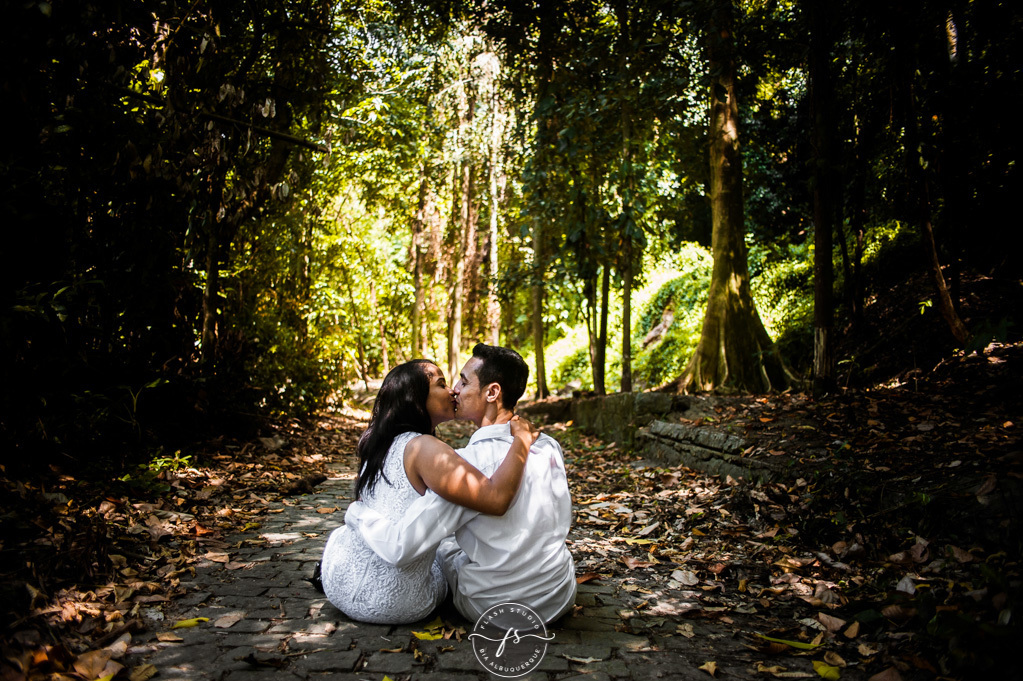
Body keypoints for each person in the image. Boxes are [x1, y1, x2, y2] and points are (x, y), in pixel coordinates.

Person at [344, 343, 576, 624]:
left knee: (442, 548)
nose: (454, 390)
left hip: (496, 607)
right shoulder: (549, 445)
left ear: (492, 392)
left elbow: (402, 546)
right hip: (559, 594)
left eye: (463, 382)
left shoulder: (468, 466)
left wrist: (357, 512)